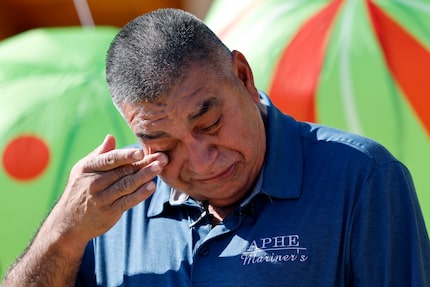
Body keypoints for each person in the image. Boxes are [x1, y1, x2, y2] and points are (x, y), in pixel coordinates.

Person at [2, 8, 429, 287]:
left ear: (243, 76)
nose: (201, 161)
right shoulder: (107, 211)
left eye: (210, 123)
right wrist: (61, 233)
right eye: (163, 143)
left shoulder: (361, 177)